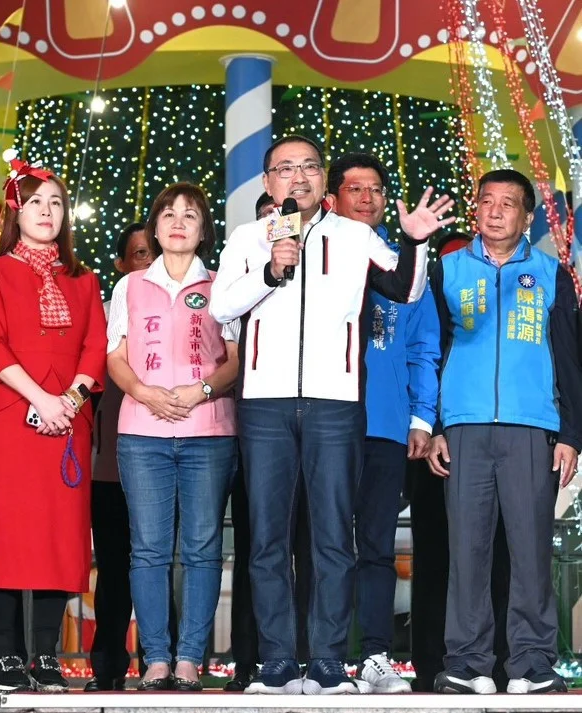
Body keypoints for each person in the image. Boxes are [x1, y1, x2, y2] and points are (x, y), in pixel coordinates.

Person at [209, 134, 453, 695]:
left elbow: (405, 289)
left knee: (333, 538)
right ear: (268, 181)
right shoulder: (248, 237)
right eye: (285, 169)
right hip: (264, 402)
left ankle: (327, 661)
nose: (298, 177)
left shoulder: (354, 235)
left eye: (309, 167)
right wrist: (270, 269)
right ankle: (276, 662)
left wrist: (415, 242)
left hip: (336, 403)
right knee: (268, 539)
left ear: (322, 180)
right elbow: (221, 306)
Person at [426, 168, 582, 695]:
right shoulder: (448, 271)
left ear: (527, 217)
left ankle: (532, 664)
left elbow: (570, 358)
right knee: (466, 550)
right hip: (463, 428)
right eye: (486, 201)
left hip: (531, 427)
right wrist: (435, 424)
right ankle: (468, 664)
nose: (494, 212)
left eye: (507, 203)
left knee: (531, 550)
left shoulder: (551, 272)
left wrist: (571, 434)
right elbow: (431, 352)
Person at [0, 158, 107, 694]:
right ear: (16, 212)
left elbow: (95, 345)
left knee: (60, 535)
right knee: (5, 534)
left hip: (68, 420)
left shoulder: (84, 278)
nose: (47, 212)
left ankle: (46, 654)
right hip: (9, 417)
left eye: (56, 203)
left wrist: (68, 400)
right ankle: (5, 654)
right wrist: (41, 399)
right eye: (35, 203)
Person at [107, 182, 240, 692]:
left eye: (190, 214)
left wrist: (200, 390)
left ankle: (189, 660)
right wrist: (144, 391)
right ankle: (156, 659)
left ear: (204, 230)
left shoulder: (224, 285)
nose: (178, 222)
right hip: (143, 433)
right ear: (154, 227)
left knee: (203, 548)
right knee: (148, 549)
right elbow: (115, 356)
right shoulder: (129, 286)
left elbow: (234, 359)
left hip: (209, 431)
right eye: (168, 214)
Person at [325, 153, 440, 693]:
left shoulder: (404, 266)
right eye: (355, 188)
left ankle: (374, 655)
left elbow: (423, 347)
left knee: (375, 546)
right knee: (321, 544)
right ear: (332, 199)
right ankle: (319, 657)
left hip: (385, 426)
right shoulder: (315, 259)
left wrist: (421, 417)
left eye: (375, 189)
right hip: (323, 422)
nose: (367, 197)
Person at [408, 232, 512, 693]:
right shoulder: (430, 315)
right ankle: (432, 662)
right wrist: (430, 426)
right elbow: (422, 364)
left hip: (493, 442)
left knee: (500, 557)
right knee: (435, 558)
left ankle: (502, 662)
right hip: (435, 446)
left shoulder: (495, 319)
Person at [85, 221, 154, 692]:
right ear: (120, 264)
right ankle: (107, 666)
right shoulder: (104, 316)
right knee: (112, 571)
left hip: (164, 462)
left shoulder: (187, 308)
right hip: (109, 467)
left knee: (157, 566)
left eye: (153, 253)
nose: (148, 263)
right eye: (139, 254)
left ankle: (161, 663)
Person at [223, 192, 275, 692]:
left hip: (296, 428)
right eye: (267, 219)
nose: (275, 226)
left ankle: (300, 656)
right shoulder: (236, 283)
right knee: (253, 548)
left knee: (302, 546)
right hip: (240, 433)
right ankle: (247, 660)